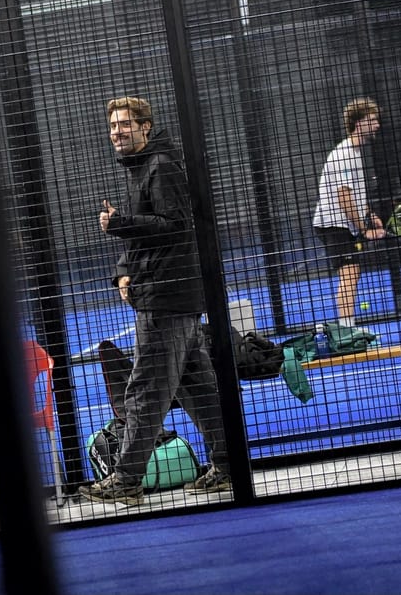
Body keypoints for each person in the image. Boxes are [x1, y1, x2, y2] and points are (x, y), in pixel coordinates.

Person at [78, 96, 230, 506]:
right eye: (113, 126)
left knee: (144, 391)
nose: (117, 132)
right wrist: (123, 271)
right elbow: (147, 235)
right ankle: (229, 464)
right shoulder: (144, 167)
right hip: (170, 295)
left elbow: (176, 226)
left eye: (125, 124)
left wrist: (120, 224)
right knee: (198, 388)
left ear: (145, 126)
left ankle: (126, 480)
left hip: (166, 298)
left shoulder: (161, 166)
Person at [311, 97, 386, 329]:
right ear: (359, 123)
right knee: (350, 273)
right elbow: (344, 197)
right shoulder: (345, 154)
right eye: (372, 120)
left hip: (343, 223)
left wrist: (369, 214)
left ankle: (348, 327)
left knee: (352, 273)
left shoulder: (354, 152)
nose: (377, 125)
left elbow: (353, 194)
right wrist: (365, 230)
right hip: (333, 223)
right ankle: (347, 330)